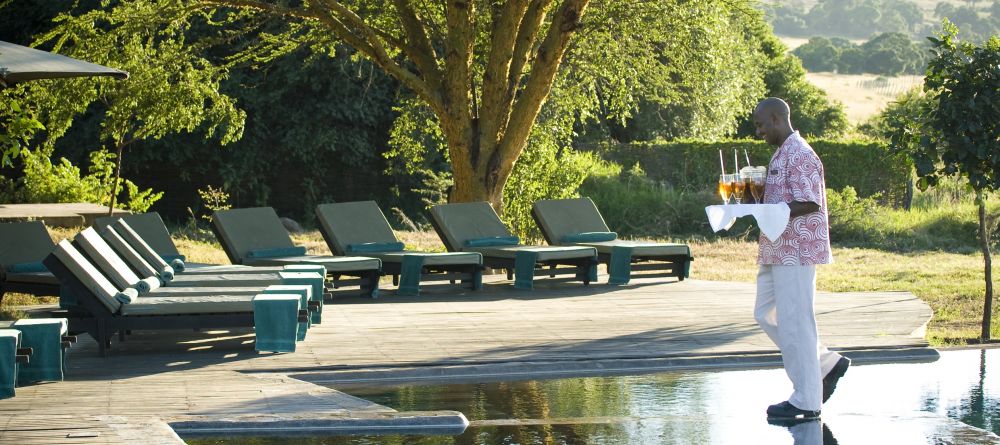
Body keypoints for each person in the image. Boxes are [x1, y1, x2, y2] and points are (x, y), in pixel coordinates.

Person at [752, 97, 850, 419]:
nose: (759, 131)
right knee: (765, 313)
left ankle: (807, 400)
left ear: (777, 118)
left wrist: (771, 209)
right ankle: (824, 363)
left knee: (797, 322)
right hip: (775, 250)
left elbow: (810, 202)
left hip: (796, 250)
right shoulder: (782, 154)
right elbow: (779, 200)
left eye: (761, 124)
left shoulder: (801, 154)